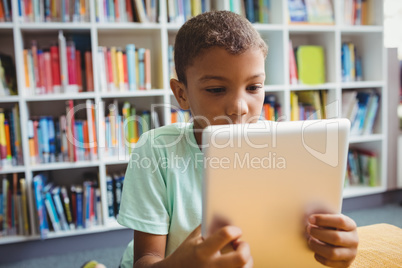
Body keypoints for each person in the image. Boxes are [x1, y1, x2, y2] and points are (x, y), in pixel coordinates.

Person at [117, 10, 359, 268]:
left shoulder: (283, 145)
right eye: (216, 89)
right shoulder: (156, 150)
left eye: (254, 87)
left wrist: (335, 243)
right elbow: (146, 260)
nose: (239, 107)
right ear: (181, 94)